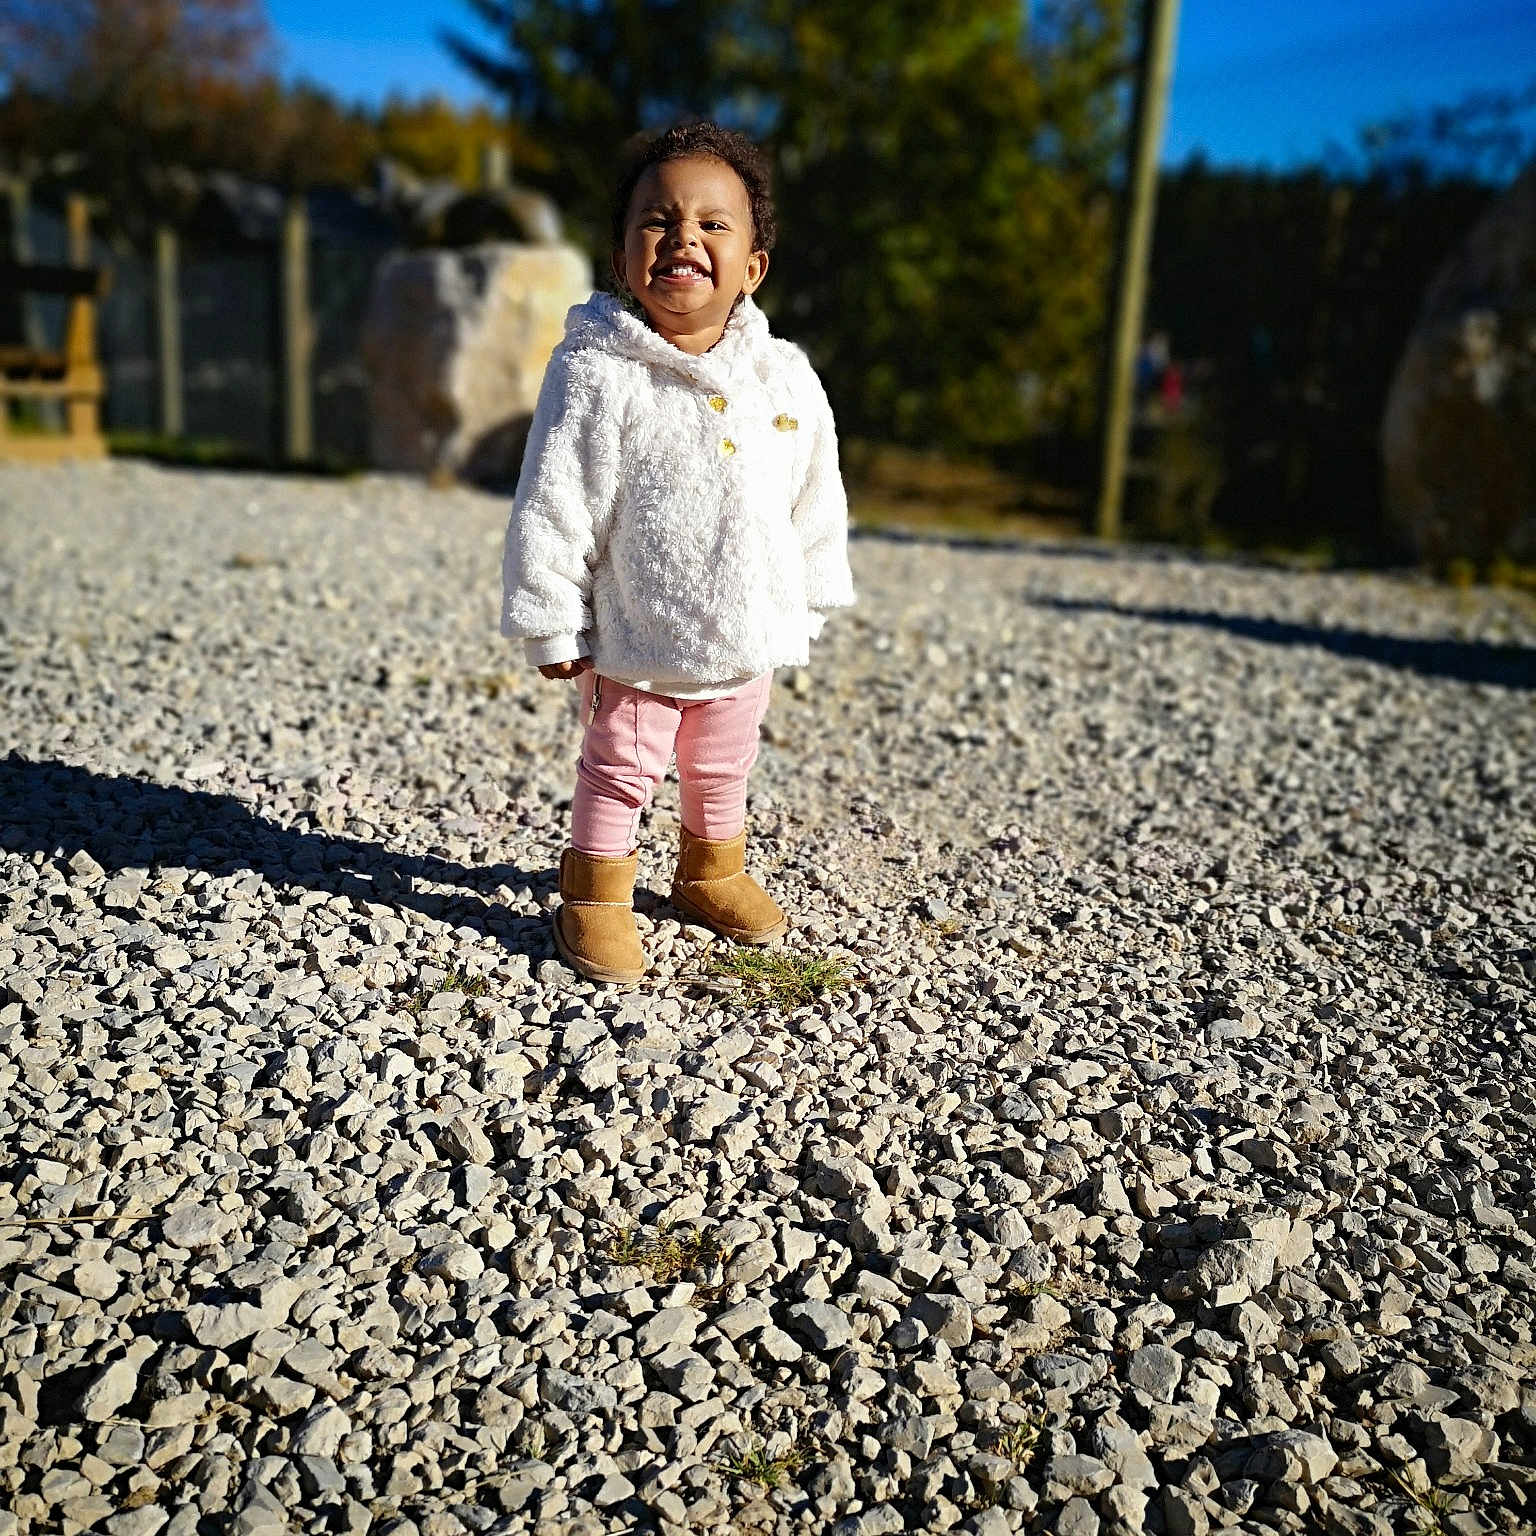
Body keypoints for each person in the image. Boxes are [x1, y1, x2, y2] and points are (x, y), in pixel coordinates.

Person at [501, 121, 855, 985]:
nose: (683, 238)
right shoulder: (597, 373)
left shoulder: (784, 377)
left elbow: (816, 489)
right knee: (620, 772)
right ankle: (593, 897)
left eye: (712, 224)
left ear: (752, 269)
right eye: (656, 221)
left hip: (745, 636)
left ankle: (711, 871)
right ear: (622, 258)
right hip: (638, 641)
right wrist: (553, 620)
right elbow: (554, 500)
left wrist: (805, 595)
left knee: (724, 764)